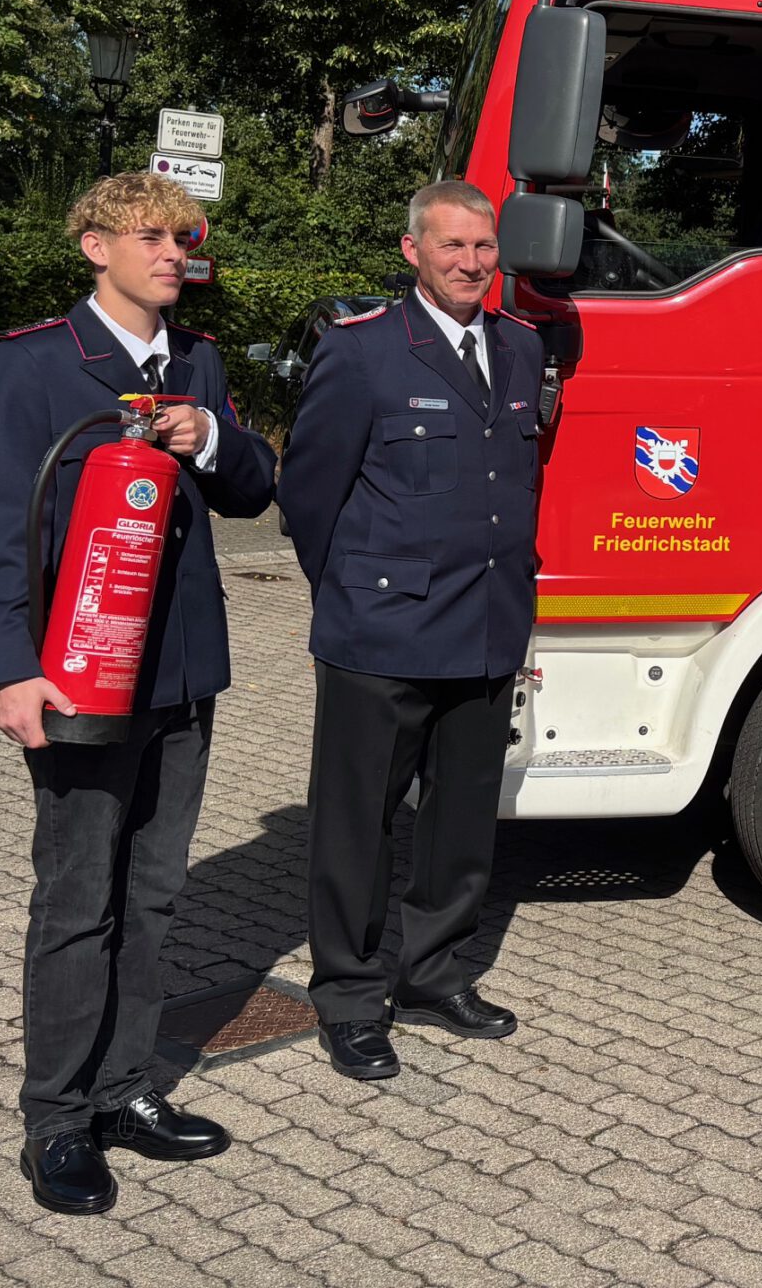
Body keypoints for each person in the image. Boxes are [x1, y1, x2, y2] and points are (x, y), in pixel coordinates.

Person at [0, 173, 278, 1215]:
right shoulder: (35, 362)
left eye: (185, 235)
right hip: (79, 674)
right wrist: (7, 669)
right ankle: (56, 1118)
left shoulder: (197, 363)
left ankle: (126, 1089)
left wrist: (209, 437)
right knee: (78, 899)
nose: (175, 252)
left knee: (155, 893)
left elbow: (253, 488)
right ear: (95, 246)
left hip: (181, 673)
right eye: (151, 235)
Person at [278, 182, 545, 1080]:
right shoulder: (363, 351)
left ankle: (433, 975)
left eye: (483, 246)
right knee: (357, 828)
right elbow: (309, 493)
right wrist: (352, 591)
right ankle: (351, 998)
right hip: (382, 632)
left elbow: (514, 482)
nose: (471, 263)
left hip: (486, 623)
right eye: (451, 246)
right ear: (412, 252)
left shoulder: (520, 346)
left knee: (461, 823)